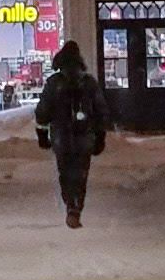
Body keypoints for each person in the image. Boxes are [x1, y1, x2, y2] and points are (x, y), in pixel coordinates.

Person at [32, 43, 116, 228]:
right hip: (84, 136)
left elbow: (43, 110)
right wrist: (101, 135)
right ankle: (77, 205)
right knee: (81, 172)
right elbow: (101, 110)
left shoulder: (54, 83)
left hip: (61, 136)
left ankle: (70, 204)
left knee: (65, 171)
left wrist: (42, 133)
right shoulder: (89, 83)